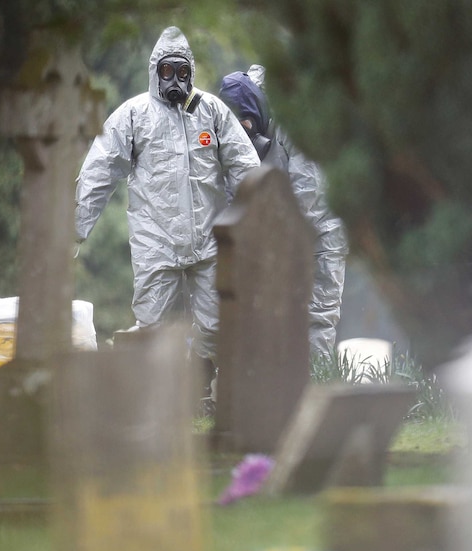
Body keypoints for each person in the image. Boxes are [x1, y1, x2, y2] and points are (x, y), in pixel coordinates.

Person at [75, 27, 260, 404]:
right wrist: (72, 231)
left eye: (181, 71)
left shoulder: (211, 112)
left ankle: (208, 387)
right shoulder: (133, 115)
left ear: (191, 72)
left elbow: (247, 169)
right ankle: (155, 405)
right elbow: (98, 172)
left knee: (215, 326)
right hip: (155, 245)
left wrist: (261, 223)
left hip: (208, 243)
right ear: (154, 71)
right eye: (166, 72)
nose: (174, 80)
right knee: (154, 328)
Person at [219, 64, 349, 360]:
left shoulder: (295, 120)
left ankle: (313, 389)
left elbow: (309, 193)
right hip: (274, 237)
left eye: (247, 125)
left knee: (316, 319)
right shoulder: (229, 137)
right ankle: (271, 395)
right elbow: (232, 190)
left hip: (319, 235)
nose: (244, 134)